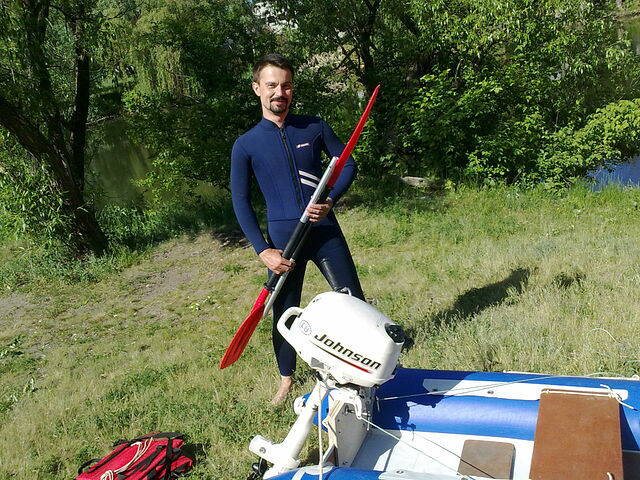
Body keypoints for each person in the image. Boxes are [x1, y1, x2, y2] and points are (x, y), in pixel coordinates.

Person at [230, 53, 365, 404]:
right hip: (283, 241)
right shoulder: (246, 144)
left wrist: (330, 200)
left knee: (353, 301)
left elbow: (348, 164)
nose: (280, 92)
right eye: (272, 85)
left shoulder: (313, 127)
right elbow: (240, 202)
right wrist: (263, 250)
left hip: (324, 232)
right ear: (257, 88)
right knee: (285, 312)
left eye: (286, 85)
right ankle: (286, 380)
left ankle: (364, 363)